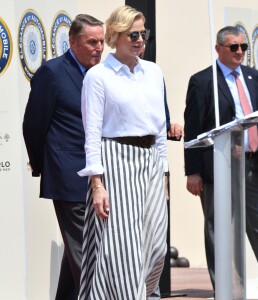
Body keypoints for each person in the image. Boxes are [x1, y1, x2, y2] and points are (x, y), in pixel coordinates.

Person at [184, 25, 258, 300]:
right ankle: (223, 290)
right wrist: (193, 171)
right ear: (218, 49)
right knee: (218, 231)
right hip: (219, 170)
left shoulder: (255, 77)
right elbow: (193, 129)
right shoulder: (203, 81)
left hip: (254, 167)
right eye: (233, 47)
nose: (240, 52)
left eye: (243, 47)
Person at [77, 5, 168, 300]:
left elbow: (160, 125)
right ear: (116, 35)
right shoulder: (98, 76)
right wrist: (97, 183)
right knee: (123, 250)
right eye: (134, 34)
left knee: (157, 248)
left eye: (144, 33)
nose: (141, 39)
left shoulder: (153, 72)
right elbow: (91, 133)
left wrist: (164, 171)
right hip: (115, 161)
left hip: (151, 161)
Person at [22, 14, 104, 300]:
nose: (99, 48)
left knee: (78, 253)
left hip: (99, 177)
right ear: (73, 41)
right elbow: (33, 124)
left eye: (101, 42)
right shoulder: (52, 73)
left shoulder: (99, 75)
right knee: (88, 257)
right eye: (91, 41)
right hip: (68, 176)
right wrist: (43, 164)